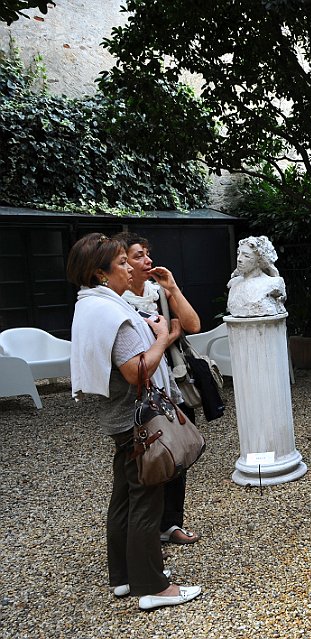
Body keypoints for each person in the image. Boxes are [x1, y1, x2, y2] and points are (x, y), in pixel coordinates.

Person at [67, 233, 201, 610]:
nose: (129, 268)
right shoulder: (115, 314)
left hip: (119, 418)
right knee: (146, 500)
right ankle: (153, 587)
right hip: (136, 420)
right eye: (122, 262)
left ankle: (124, 577)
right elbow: (136, 371)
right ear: (101, 273)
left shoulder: (90, 304)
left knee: (124, 498)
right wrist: (162, 338)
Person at [113, 231, 201, 546]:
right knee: (149, 460)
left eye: (147, 253)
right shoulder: (117, 303)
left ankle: (170, 523)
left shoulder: (157, 291)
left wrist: (172, 288)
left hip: (171, 384)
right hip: (141, 393)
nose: (147, 260)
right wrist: (167, 336)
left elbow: (193, 325)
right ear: (121, 264)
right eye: (138, 256)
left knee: (176, 453)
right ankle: (145, 534)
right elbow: (140, 351)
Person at [226, 236, 286, 317]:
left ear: (259, 261)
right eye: (238, 253)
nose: (239, 259)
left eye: (246, 256)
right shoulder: (234, 283)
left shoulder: (273, 283)